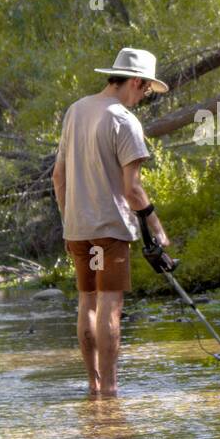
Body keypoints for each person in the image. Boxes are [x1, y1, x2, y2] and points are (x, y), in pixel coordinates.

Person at [52, 47, 170, 397]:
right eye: (146, 89)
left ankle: (93, 385)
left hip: (77, 228)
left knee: (87, 302)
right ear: (136, 81)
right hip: (109, 230)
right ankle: (111, 392)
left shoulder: (75, 111)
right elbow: (131, 189)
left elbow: (58, 177)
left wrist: (68, 220)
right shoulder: (123, 120)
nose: (145, 96)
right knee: (109, 305)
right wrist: (156, 227)